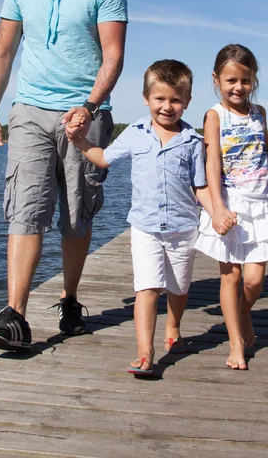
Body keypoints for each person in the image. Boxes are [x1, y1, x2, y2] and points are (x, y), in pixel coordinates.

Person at [0, 0, 128, 351]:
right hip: (29, 113)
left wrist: (88, 105)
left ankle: (69, 299)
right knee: (25, 210)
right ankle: (15, 316)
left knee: (77, 216)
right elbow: (3, 52)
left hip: (86, 114)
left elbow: (113, 57)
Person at [67, 60, 229, 375]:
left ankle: (174, 327)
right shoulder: (136, 133)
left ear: (187, 102)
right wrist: (80, 142)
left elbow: (201, 187)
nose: (167, 107)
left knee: (179, 288)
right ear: (146, 97)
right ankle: (145, 350)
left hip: (183, 228)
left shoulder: (193, 143)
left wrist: (217, 213)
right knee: (147, 287)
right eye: (160, 99)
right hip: (145, 229)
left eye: (175, 100)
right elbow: (103, 159)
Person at [195, 44, 268, 370]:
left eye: (245, 80)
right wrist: (216, 209)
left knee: (254, 281)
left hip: (259, 206)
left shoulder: (260, 113)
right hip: (230, 204)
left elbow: (261, 152)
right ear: (216, 79)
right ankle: (236, 342)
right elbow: (212, 163)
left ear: (253, 80)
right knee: (231, 278)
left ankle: (242, 314)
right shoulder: (215, 115)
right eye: (230, 80)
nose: (238, 87)